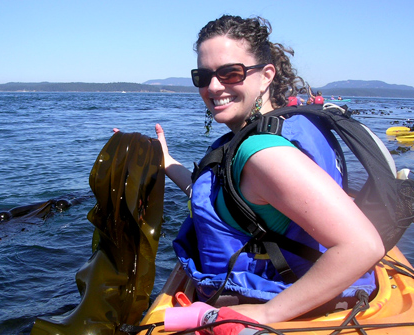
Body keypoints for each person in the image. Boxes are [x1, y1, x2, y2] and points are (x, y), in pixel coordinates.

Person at [154, 15, 384, 325]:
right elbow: (240, 206)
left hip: (278, 301)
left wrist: (267, 312)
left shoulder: (262, 154)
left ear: (266, 76)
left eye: (230, 73)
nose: (213, 86)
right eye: (203, 76)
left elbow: (363, 246)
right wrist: (169, 164)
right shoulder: (283, 128)